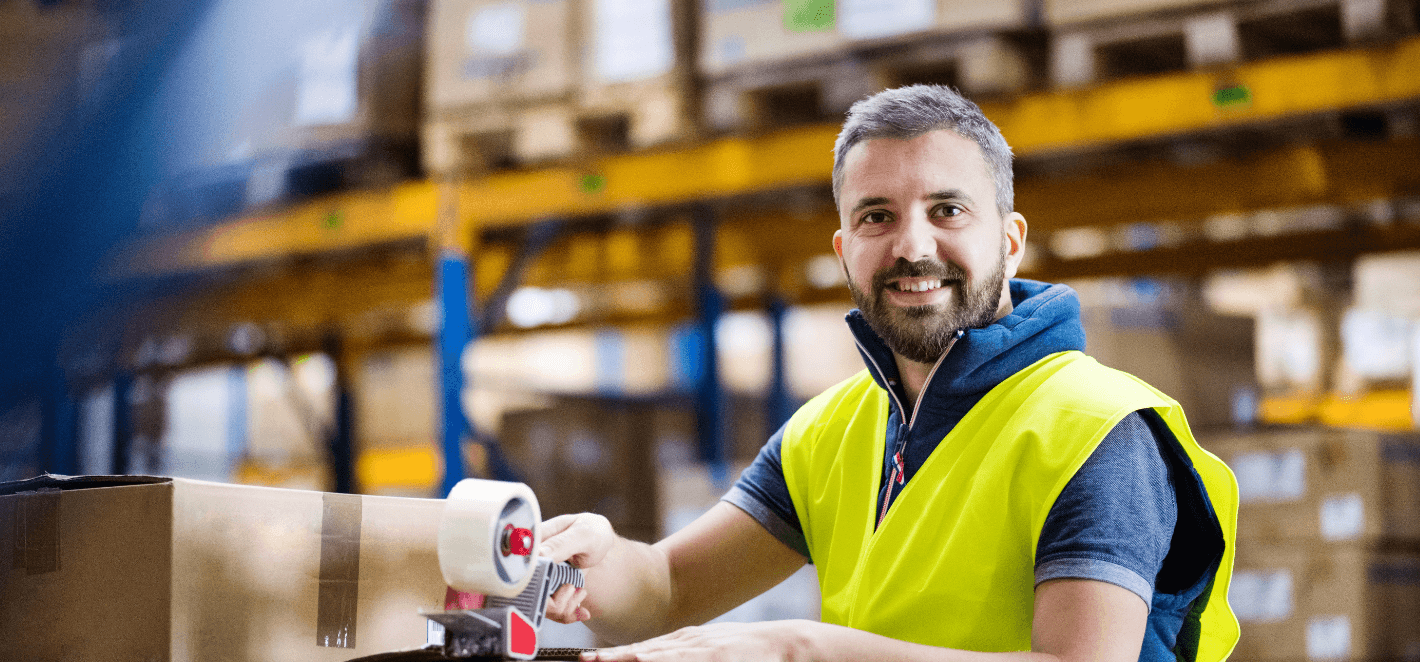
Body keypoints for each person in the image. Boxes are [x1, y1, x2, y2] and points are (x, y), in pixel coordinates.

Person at [537, 84, 1240, 662]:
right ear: (844, 250)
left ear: (1011, 240)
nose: (912, 246)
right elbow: (667, 589)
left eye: (948, 210)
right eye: (877, 217)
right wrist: (598, 562)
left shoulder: (1097, 431)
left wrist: (800, 649)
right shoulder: (830, 431)